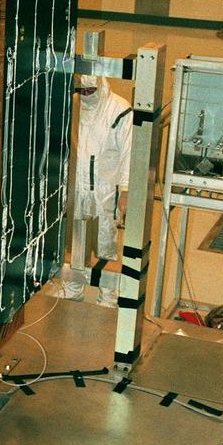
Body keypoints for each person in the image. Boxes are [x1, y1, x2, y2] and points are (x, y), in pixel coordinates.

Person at [62, 75, 132, 306]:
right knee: (74, 244)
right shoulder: (71, 106)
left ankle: (108, 298)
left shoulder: (120, 111)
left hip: (104, 192)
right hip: (75, 188)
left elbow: (128, 155)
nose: (85, 95)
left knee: (105, 247)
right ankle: (72, 292)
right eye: (81, 91)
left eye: (90, 91)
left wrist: (125, 191)